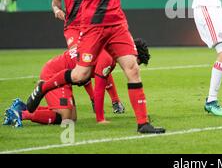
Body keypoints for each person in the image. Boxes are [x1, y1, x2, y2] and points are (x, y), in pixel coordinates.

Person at [26, 0, 165, 134]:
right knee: (81, 76)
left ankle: (143, 124)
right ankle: (43, 87)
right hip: (93, 26)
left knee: (133, 69)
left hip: (117, 23)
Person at [3, 38, 151, 127]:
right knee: (65, 118)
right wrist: (100, 118)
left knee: (72, 118)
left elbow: (103, 77)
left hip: (63, 74)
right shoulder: (108, 58)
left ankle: (23, 107)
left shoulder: (108, 51)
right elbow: (99, 87)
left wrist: (115, 100)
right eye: (136, 62)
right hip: (54, 74)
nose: (133, 66)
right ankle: (21, 114)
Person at [51, 0, 125, 114]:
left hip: (93, 24)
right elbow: (55, 1)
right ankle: (94, 98)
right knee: (82, 63)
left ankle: (115, 100)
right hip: (73, 27)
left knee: (102, 61)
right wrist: (56, 10)